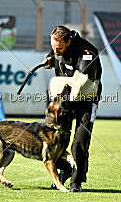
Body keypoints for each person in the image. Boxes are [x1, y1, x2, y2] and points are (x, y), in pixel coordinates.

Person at [41, 26, 102, 192]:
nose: (55, 50)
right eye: (53, 47)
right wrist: (50, 58)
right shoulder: (58, 47)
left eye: (58, 47)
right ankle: (65, 171)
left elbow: (81, 79)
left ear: (68, 41)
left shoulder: (88, 52)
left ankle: (76, 182)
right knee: (54, 140)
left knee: (79, 144)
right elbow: (55, 52)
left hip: (86, 100)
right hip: (64, 102)